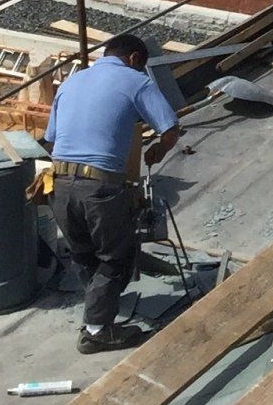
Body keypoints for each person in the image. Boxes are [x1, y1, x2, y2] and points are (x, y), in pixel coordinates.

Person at [43, 34, 180, 354]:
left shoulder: (71, 82)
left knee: (84, 253)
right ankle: (97, 331)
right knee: (117, 256)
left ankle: (100, 310)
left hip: (59, 184)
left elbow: (51, 138)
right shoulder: (136, 80)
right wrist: (158, 150)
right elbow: (171, 129)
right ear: (134, 59)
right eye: (141, 65)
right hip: (99, 187)